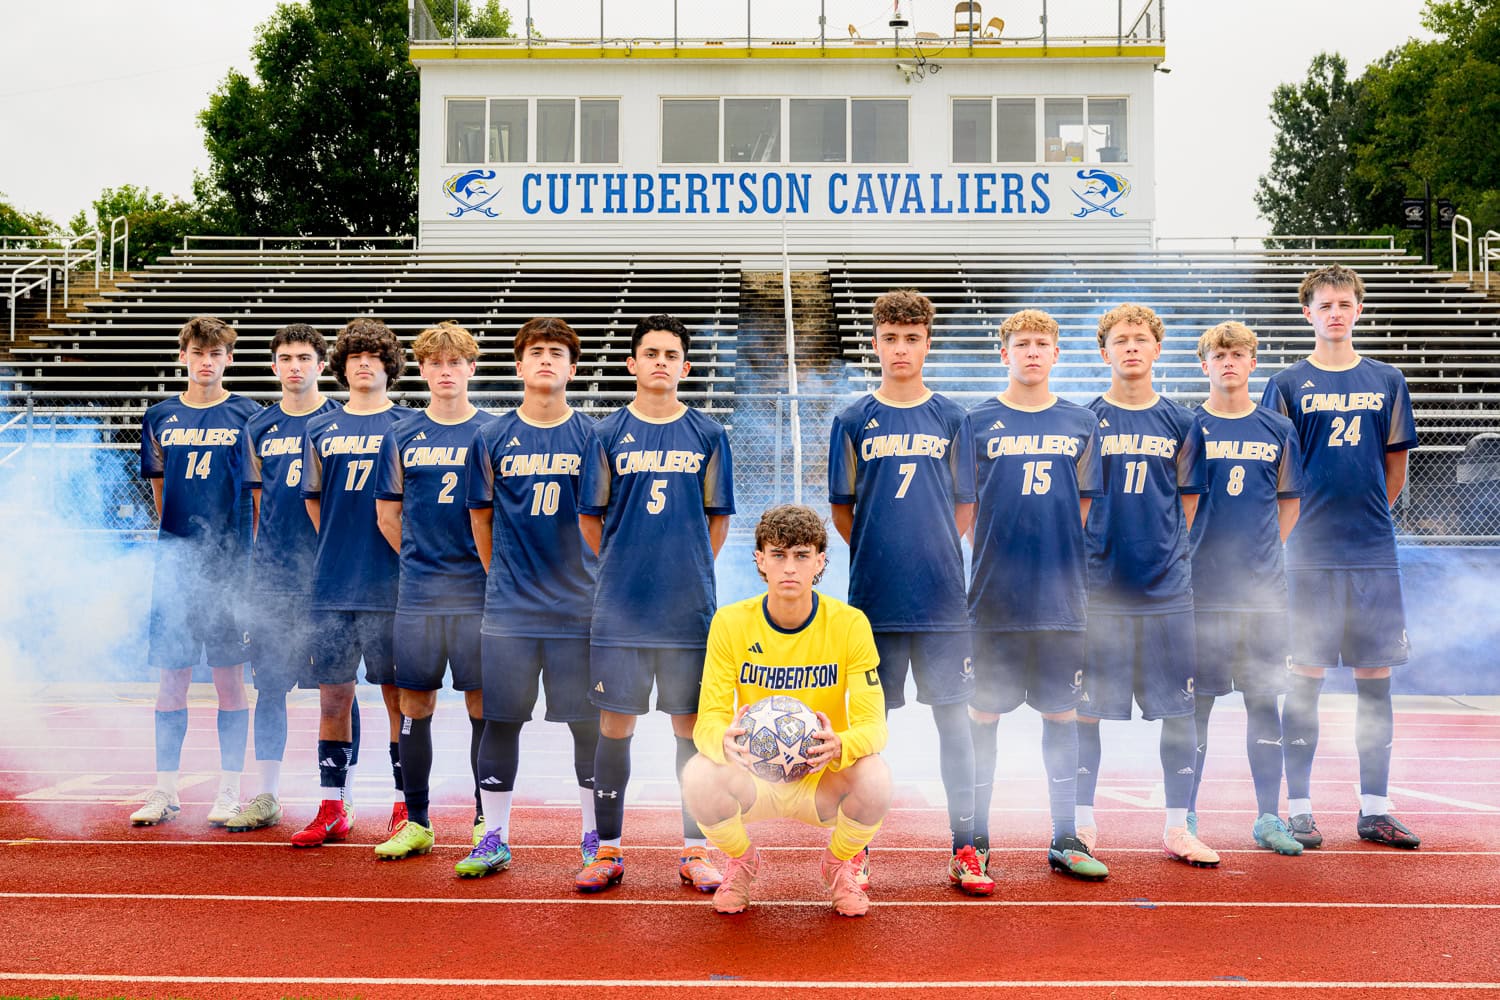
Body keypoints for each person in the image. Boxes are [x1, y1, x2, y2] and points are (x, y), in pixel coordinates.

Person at [827, 288, 989, 895]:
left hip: (943, 604)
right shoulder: (851, 419)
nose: (901, 348)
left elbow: (964, 505)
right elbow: (843, 513)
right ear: (876, 342)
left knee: (956, 726)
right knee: (868, 734)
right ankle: (855, 852)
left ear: (928, 343)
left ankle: (966, 849)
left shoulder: (953, 418)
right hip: (873, 603)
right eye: (891, 338)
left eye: (912, 338)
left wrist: (932, 554)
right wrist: (883, 551)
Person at [1261, 265, 1421, 849]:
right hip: (1307, 555)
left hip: (1372, 553)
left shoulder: (1387, 380)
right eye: (1324, 304)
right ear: (1307, 313)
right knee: (1305, 679)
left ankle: (1375, 808)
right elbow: (1277, 471)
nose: (1335, 313)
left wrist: (1368, 514)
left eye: (1344, 304)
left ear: (1358, 310)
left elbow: (1394, 467)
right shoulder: (1285, 384)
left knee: (1374, 681)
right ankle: (1299, 807)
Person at [573, 314, 735, 893]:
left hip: (687, 611)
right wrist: (626, 566)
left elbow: (717, 523)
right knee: (614, 727)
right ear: (632, 364)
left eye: (671, 354)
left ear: (685, 368)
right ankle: (608, 851)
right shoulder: (605, 434)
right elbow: (591, 521)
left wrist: (683, 567)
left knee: (689, 732)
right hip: (619, 609)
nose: (661, 362)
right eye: (650, 353)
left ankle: (696, 850)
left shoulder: (710, 435)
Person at [683, 504, 890, 917]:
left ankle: (838, 866)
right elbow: (709, 718)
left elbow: (874, 725)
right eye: (778, 555)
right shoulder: (730, 623)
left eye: (801, 555)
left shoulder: (850, 624)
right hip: (754, 777)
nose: (789, 567)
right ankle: (742, 863)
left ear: (820, 561)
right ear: (760, 559)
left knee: (876, 778)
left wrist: (840, 745)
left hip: (821, 780)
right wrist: (720, 741)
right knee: (697, 773)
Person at [456, 317, 602, 878]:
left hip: (576, 609)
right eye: (536, 351)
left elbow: (604, 518)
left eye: (557, 353)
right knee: (501, 721)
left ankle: (594, 837)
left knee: (586, 725)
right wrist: (503, 580)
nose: (546, 360)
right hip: (511, 612)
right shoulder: (491, 437)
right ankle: (494, 836)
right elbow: (481, 517)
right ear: (519, 365)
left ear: (572, 367)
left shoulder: (592, 436)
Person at [966, 309, 1109, 881]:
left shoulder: (1081, 422)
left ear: (1056, 354)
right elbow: (968, 511)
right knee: (982, 717)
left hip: (1060, 600)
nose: (1031, 352)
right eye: (1021, 343)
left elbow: (1081, 508)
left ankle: (1065, 835)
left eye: (1041, 344)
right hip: (995, 600)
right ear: (1004, 354)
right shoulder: (975, 421)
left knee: (1061, 715)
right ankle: (974, 838)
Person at [1077, 303, 1217, 868]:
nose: (1131, 347)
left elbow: (1187, 503)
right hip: (1099, 591)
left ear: (1158, 349)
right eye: (1120, 339)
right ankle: (1080, 823)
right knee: (1085, 711)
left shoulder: (1183, 422)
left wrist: (1159, 552)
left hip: (1164, 591)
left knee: (1178, 711)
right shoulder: (1083, 419)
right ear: (1103, 351)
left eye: (1141, 338)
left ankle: (1177, 826)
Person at [371, 323, 497, 860]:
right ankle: (417, 820)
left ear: (471, 368)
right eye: (435, 363)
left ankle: (484, 820)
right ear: (422, 371)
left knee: (482, 706)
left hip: (477, 596)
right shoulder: (401, 434)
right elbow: (387, 514)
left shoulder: (494, 432)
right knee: (413, 704)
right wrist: (426, 562)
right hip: (420, 596)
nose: (445, 372)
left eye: (455, 362)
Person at [130, 316, 262, 827]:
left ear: (230, 358)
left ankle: (229, 789)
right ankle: (165, 788)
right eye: (198, 352)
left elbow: (255, 495)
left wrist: (243, 558)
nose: (206, 360)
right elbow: (161, 493)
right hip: (177, 567)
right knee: (171, 683)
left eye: (216, 353)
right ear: (182, 356)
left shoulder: (250, 416)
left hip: (231, 567)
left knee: (231, 681)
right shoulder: (160, 415)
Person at [1187, 320, 1305, 855]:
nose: (1229, 362)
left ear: (1253, 363)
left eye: (1238, 354)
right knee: (1197, 707)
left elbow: (1288, 505)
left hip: (1261, 596)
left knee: (1265, 703)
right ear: (1203, 364)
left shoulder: (1278, 429)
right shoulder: (1187, 427)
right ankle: (1182, 813)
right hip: (1200, 592)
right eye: (1219, 354)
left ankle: (1267, 816)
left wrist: (1258, 558)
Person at [290, 318, 410, 847]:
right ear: (341, 366)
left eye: (375, 355)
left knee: (397, 698)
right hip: (333, 584)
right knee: (333, 698)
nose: (365, 362)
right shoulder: (320, 429)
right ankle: (333, 806)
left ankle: (408, 804)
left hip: (391, 586)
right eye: (356, 355)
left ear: (389, 365)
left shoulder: (409, 426)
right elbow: (315, 504)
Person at [226, 324, 339, 832]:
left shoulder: (340, 421)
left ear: (321, 365)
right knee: (270, 688)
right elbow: (258, 505)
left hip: (330, 575)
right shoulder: (258, 427)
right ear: (274, 367)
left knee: (337, 690)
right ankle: (267, 793)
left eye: (305, 357)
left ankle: (337, 798)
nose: (295, 366)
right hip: (273, 579)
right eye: (286, 358)